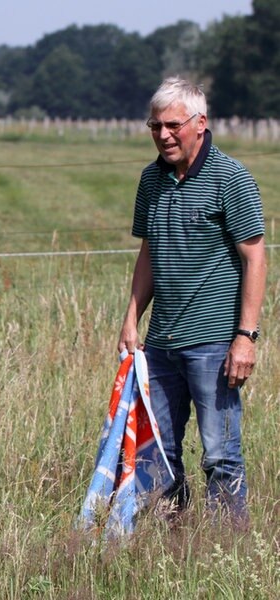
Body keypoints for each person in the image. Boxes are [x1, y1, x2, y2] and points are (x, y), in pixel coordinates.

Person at [118, 77, 266, 525]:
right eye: (154, 126)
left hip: (214, 345)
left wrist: (245, 337)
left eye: (172, 125)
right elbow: (149, 249)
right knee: (158, 450)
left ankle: (225, 545)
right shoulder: (151, 179)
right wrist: (130, 319)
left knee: (220, 454)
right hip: (160, 342)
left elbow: (255, 257)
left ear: (200, 124)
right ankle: (170, 538)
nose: (163, 135)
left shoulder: (231, 178)